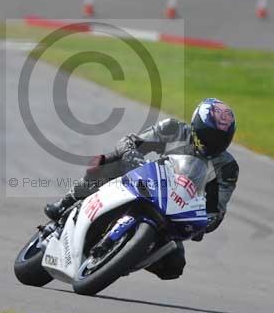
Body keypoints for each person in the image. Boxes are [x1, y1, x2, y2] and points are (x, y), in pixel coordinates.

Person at [44, 98, 239, 280]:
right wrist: (131, 155)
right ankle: (65, 203)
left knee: (174, 266)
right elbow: (131, 142)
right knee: (108, 162)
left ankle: (123, 257)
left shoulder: (227, 167)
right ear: (197, 126)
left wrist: (204, 223)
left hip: (176, 211)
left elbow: (217, 209)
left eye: (223, 138)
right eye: (211, 136)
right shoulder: (174, 130)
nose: (215, 143)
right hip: (149, 183)